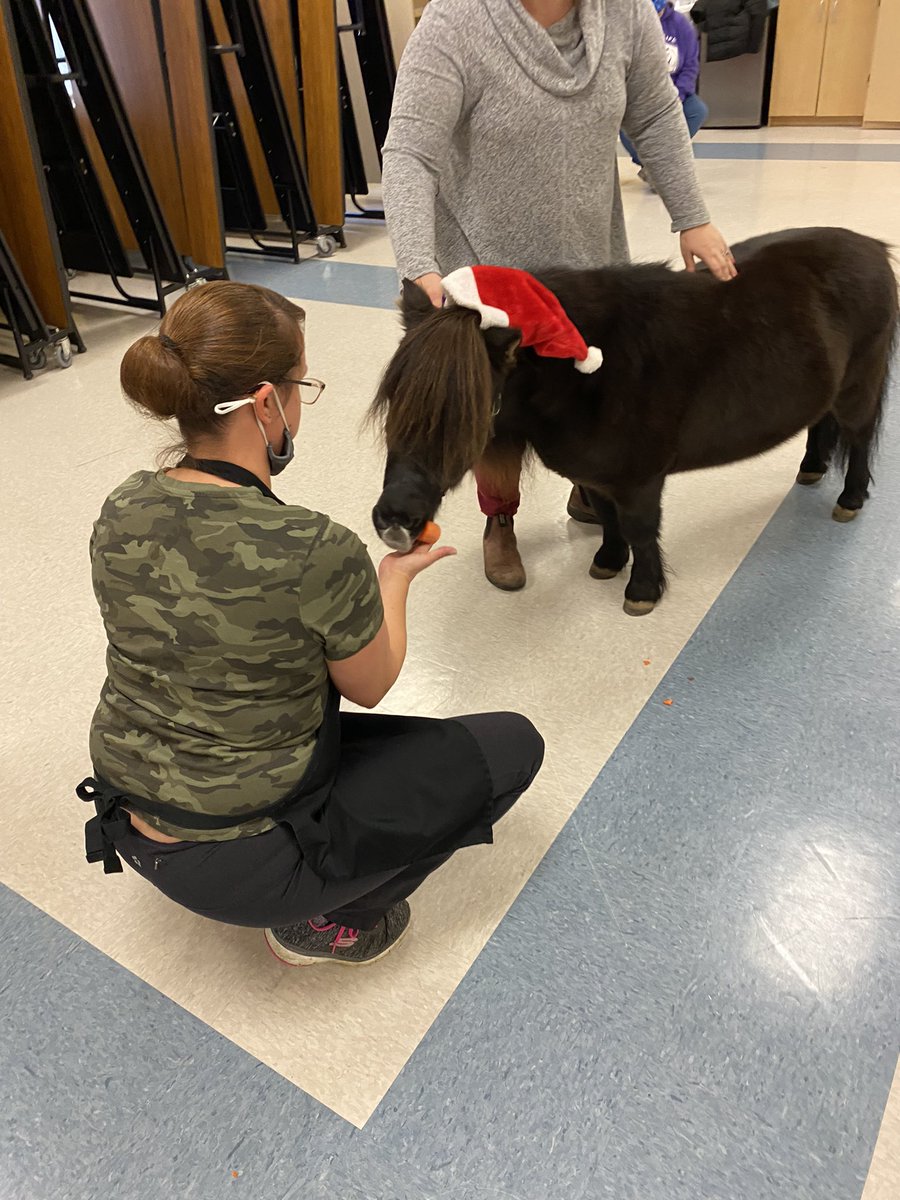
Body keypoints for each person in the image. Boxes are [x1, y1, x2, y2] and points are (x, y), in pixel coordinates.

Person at [78, 281, 543, 967]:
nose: (301, 403)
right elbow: (371, 683)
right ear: (266, 404)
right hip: (246, 858)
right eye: (301, 384)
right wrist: (394, 581)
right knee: (511, 748)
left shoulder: (122, 505)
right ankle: (329, 921)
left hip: (126, 812)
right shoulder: (312, 546)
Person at [382, 0, 736, 591]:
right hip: (486, 282)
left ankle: (589, 486)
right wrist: (420, 264)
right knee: (494, 415)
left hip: (589, 267)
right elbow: (411, 152)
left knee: (589, 391)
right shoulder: (456, 19)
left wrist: (691, 216)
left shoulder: (625, 14)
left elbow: (654, 114)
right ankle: (500, 520)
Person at [620, 0, 708, 184]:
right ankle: (651, 165)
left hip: (672, 92)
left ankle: (660, 165)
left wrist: (678, 96)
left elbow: (690, 66)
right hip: (637, 94)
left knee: (697, 110)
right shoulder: (629, 22)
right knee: (622, 121)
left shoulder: (680, 25)